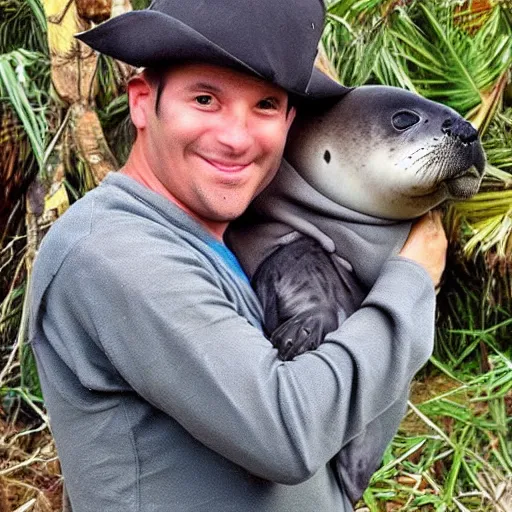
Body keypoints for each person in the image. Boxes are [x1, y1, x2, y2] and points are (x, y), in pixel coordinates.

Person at [28, 0, 447, 511]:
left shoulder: (229, 241)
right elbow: (286, 434)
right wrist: (410, 283)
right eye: (205, 99)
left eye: (265, 106)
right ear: (142, 102)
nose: (235, 138)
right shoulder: (109, 250)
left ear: (291, 121)